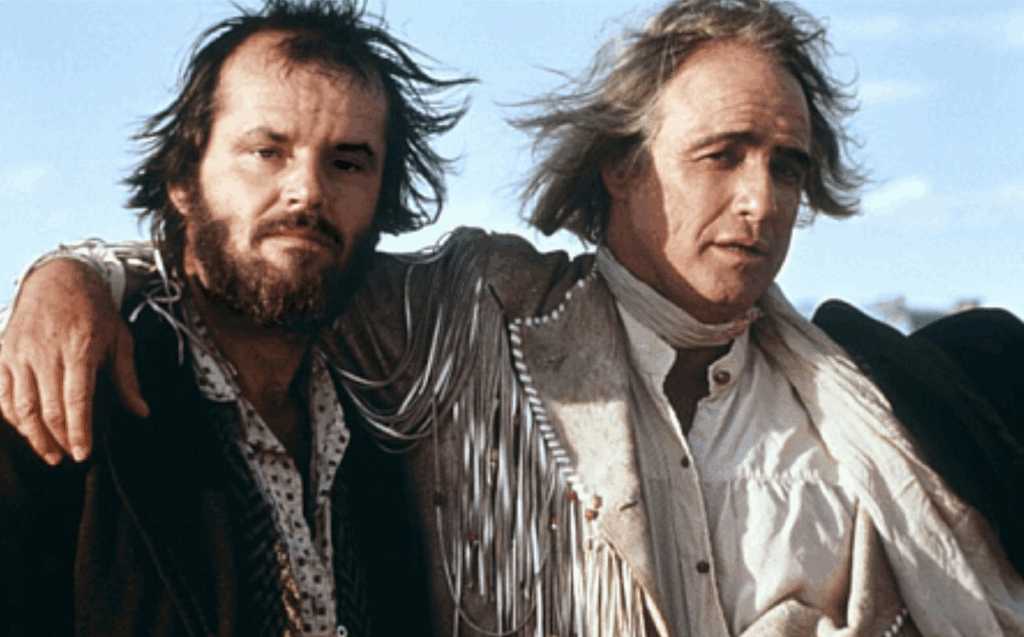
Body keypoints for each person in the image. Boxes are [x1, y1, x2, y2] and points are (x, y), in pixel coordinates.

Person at [2, 0, 1023, 635]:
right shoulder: (472, 313)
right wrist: (74, 271)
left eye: (787, 166)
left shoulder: (858, 403)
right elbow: (268, 260)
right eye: (721, 155)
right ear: (620, 166)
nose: (761, 201)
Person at [0, 0, 471, 635]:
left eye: (347, 161)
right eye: (267, 152)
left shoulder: (386, 432)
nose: (308, 191)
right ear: (182, 180)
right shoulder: (59, 400)